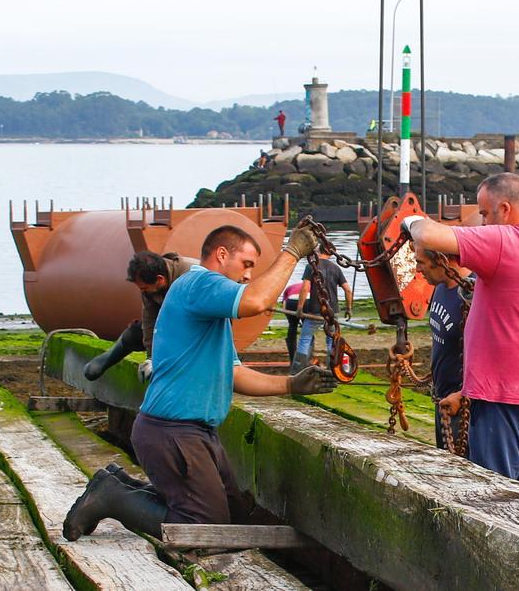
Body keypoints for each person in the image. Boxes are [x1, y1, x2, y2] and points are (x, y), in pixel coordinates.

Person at [62, 224, 338, 540]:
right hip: (173, 431)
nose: (248, 275)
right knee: (203, 526)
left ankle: (120, 484)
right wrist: (292, 252)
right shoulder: (200, 283)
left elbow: (234, 374)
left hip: (193, 432)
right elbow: (256, 301)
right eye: (247, 264)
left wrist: (291, 385)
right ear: (222, 255)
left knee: (233, 514)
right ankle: (112, 496)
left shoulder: (208, 310)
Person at [401, 173, 519, 494]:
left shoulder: (505, 242)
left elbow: (429, 235)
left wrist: (409, 221)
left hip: (502, 400)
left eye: (484, 214)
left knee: (494, 502)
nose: (482, 223)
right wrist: (467, 391)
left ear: (504, 209)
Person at [83, 250, 195, 381]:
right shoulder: (151, 288)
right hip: (172, 328)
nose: (142, 291)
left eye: (144, 288)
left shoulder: (191, 277)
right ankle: (107, 358)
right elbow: (149, 320)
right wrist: (151, 358)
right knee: (135, 333)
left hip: (200, 332)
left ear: (160, 279)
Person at [413, 246, 470, 450]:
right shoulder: (439, 288)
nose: (418, 270)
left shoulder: (470, 295)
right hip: (442, 401)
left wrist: (465, 395)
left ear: (442, 260)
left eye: (420, 262)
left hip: (463, 408)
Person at [292, 245, 352, 372]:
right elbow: (347, 289)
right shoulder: (336, 268)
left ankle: (297, 370)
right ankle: (333, 370)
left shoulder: (311, 267)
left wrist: (300, 308)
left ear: (319, 251)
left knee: (305, 339)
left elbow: (305, 288)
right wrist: (349, 308)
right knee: (331, 340)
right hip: (332, 312)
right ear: (331, 254)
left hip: (315, 311)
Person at [280, 281, 303, 362]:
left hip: (291, 301)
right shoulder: (311, 285)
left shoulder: (290, 287)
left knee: (292, 327)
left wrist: (289, 318)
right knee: (307, 328)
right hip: (307, 299)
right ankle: (306, 358)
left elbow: (284, 303)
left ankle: (292, 358)